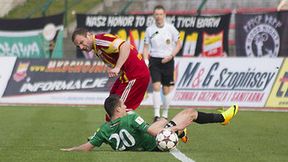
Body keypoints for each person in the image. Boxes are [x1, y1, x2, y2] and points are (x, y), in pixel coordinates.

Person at [60, 94, 239, 152]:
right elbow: (154, 132)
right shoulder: (130, 117)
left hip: (142, 146)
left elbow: (87, 147)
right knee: (189, 113)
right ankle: (223, 118)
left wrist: (69, 150)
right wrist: (174, 127)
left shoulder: (104, 130)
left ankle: (179, 133)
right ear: (117, 110)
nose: (126, 107)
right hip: (157, 143)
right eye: (123, 105)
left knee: (160, 122)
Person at [72, 28, 150, 121]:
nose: (81, 47)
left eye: (81, 42)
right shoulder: (97, 46)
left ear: (88, 35)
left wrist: (117, 67)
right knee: (111, 105)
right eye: (78, 46)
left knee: (117, 110)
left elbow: (125, 46)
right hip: (127, 75)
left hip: (135, 75)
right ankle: (115, 132)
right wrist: (116, 67)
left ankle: (143, 130)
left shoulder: (100, 41)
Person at [143, 5, 182, 122]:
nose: (158, 16)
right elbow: (145, 47)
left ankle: (165, 113)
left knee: (166, 89)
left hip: (168, 61)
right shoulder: (149, 30)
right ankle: (156, 114)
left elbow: (179, 44)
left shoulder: (171, 28)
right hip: (154, 60)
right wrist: (146, 60)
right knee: (155, 86)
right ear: (154, 15)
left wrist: (171, 56)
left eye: (160, 14)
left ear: (164, 15)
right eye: (157, 14)